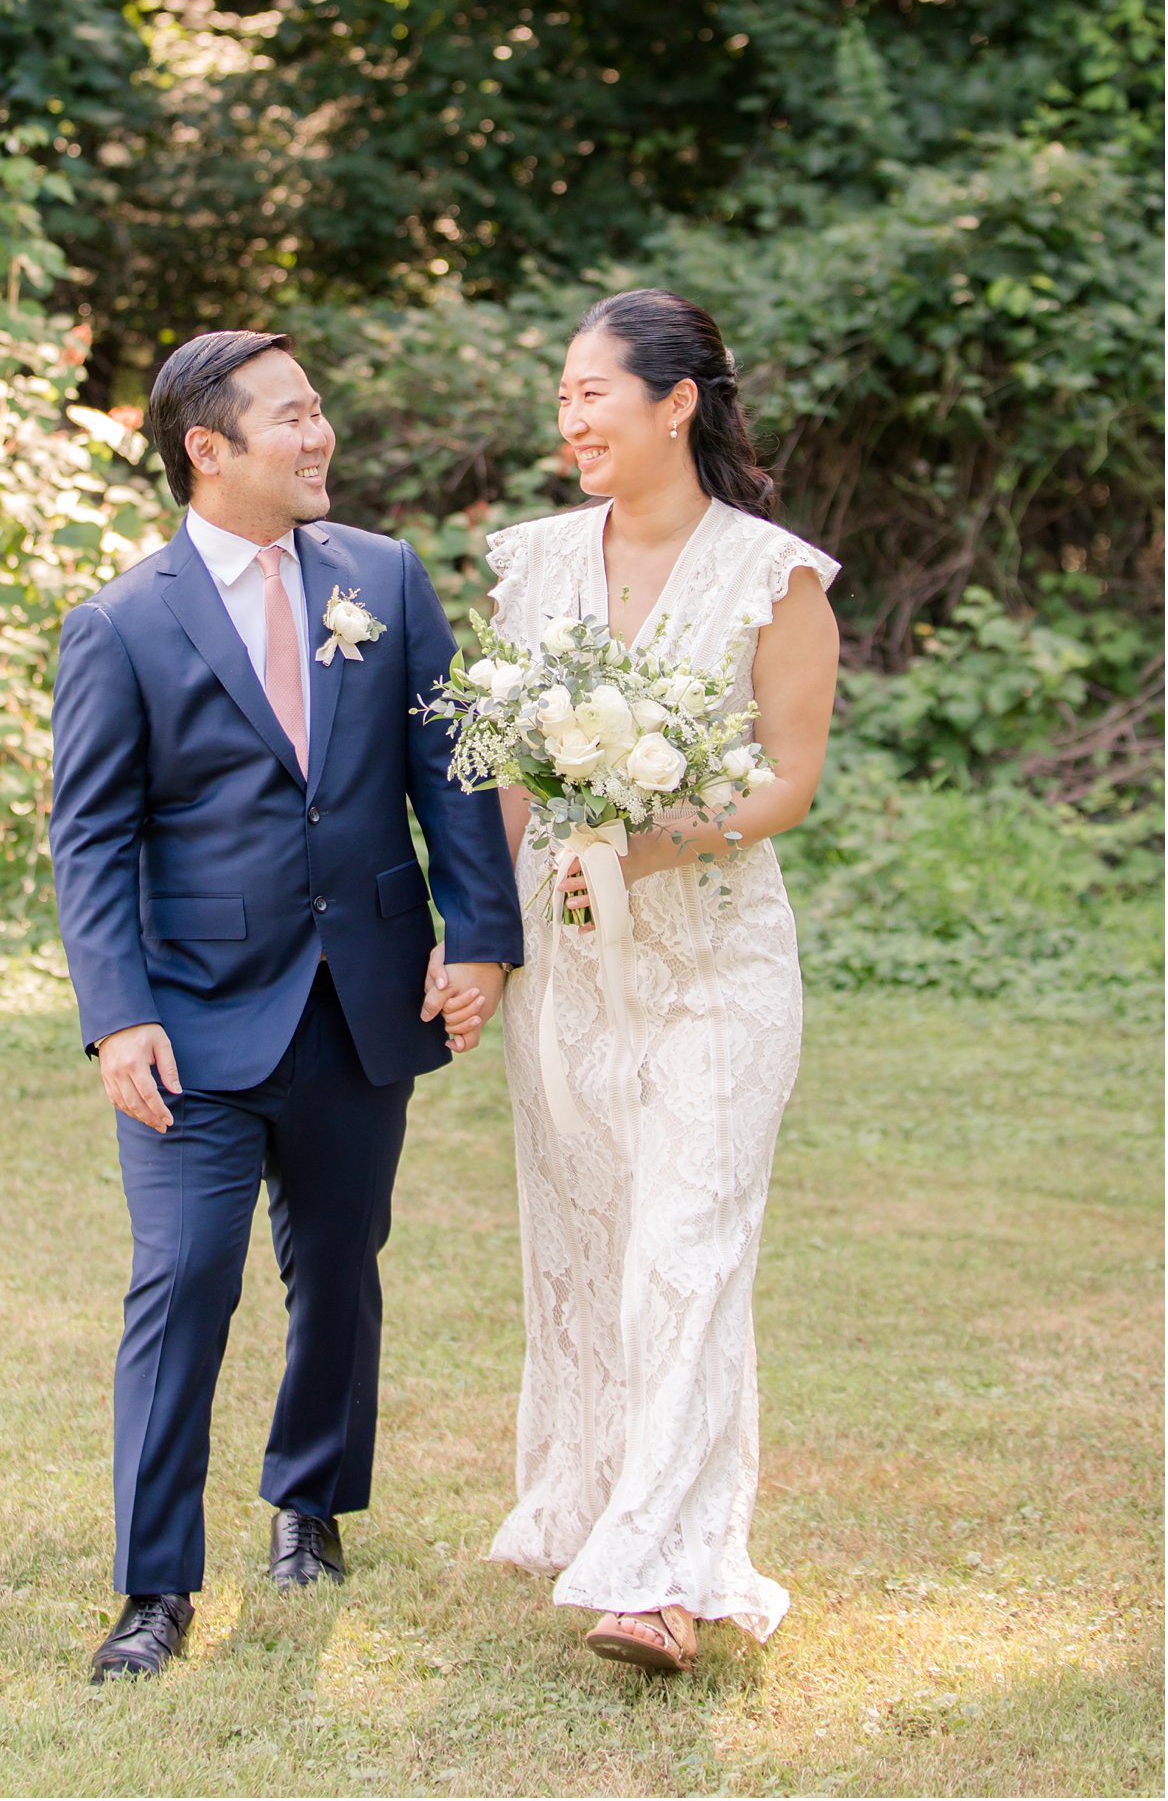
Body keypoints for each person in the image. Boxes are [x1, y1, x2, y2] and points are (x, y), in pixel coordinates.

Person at [50, 329, 523, 1684]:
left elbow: (454, 764)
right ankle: (154, 1585)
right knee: (183, 1277)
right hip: (190, 1020)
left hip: (361, 997)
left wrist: (480, 938)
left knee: (340, 1263)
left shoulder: (382, 575)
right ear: (211, 448)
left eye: (319, 410)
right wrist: (117, 1010)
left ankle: (308, 1501)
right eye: (293, 417)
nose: (321, 436)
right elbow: (91, 837)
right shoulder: (122, 622)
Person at [468, 287, 839, 1674]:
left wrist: (648, 840)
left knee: (687, 1247)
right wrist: (500, 934)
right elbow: (509, 766)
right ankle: (600, 1502)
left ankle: (666, 1578)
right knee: (590, 1242)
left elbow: (789, 781)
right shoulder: (537, 565)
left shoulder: (773, 577)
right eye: (560, 397)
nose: (570, 420)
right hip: (573, 967)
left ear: (676, 401)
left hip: (716, 968)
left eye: (592, 394)